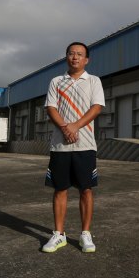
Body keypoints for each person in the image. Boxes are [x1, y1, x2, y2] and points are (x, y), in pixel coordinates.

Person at [41, 42, 105, 253]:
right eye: (71, 53)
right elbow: (51, 107)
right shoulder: (57, 81)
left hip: (85, 145)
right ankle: (59, 234)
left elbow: (96, 107)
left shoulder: (93, 80)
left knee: (85, 190)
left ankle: (85, 234)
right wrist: (65, 128)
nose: (75, 57)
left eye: (79, 54)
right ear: (66, 57)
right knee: (60, 189)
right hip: (60, 146)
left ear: (86, 60)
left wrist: (75, 126)